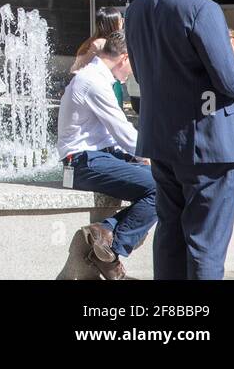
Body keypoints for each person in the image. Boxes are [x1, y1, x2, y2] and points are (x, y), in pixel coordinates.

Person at [124, 0, 234, 280]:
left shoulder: (138, 7)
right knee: (206, 243)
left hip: (160, 137)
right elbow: (230, 81)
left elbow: (138, 70)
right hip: (208, 144)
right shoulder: (201, 7)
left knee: (170, 235)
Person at [56, 31, 153, 281]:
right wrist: (150, 155)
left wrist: (141, 158)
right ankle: (110, 252)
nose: (133, 70)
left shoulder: (98, 78)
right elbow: (122, 131)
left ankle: (104, 231)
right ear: (124, 57)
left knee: (169, 183)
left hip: (97, 158)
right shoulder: (93, 81)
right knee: (162, 186)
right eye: (134, 63)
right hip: (80, 163)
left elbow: (114, 138)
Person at [72, 6, 124, 73]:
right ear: (113, 24)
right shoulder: (100, 44)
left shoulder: (95, 42)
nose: (122, 21)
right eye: (120, 20)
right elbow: (77, 70)